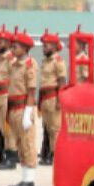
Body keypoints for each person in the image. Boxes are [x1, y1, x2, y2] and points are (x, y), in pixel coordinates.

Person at [4, 32, 38, 186]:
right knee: (19, 143)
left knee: (27, 144)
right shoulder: (14, 64)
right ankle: (24, 178)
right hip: (14, 109)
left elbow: (31, 91)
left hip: (24, 107)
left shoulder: (30, 64)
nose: (13, 49)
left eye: (15, 46)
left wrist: (28, 113)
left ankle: (30, 181)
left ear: (25, 48)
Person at [38, 30, 67, 166]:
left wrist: (60, 100)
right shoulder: (45, 61)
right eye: (43, 45)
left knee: (55, 128)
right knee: (48, 127)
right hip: (45, 97)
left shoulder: (58, 61)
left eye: (47, 45)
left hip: (53, 97)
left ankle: (56, 154)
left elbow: (62, 81)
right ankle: (49, 152)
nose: (44, 47)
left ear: (55, 46)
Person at [0, 28, 16, 170]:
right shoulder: (0, 58)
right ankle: (4, 154)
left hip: (6, 95)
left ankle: (11, 157)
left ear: (7, 42)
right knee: (1, 127)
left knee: (8, 127)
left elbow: (14, 78)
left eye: (1, 42)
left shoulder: (10, 58)